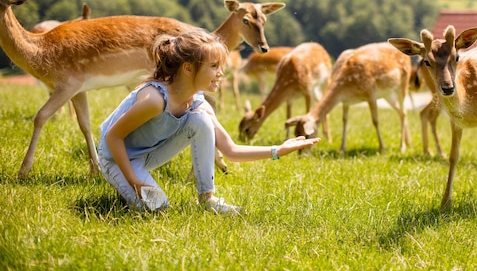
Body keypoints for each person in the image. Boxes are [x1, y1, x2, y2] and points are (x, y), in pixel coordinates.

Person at [98, 29, 320, 214]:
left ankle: (208, 200)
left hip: (148, 153)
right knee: (158, 209)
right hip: (115, 157)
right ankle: (128, 184)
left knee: (201, 120)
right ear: (188, 68)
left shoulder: (197, 103)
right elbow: (113, 137)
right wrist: (133, 181)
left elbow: (230, 151)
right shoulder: (154, 99)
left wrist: (278, 150)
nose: (221, 73)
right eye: (214, 66)